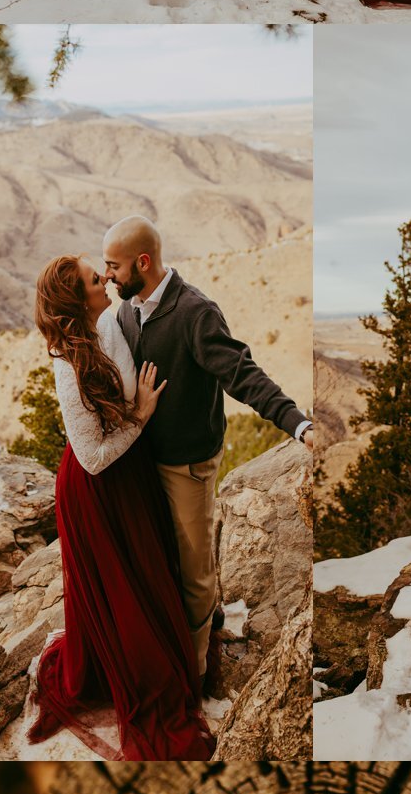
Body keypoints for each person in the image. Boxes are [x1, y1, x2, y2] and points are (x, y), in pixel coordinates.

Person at [102, 215, 314, 683]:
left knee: (194, 570)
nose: (107, 275)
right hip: (144, 459)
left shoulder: (195, 311)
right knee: (166, 557)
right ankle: (200, 623)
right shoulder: (127, 310)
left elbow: (242, 374)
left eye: (113, 266)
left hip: (188, 464)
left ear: (143, 261)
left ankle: (194, 676)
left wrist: (297, 424)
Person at [26, 255, 215, 762]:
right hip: (98, 490)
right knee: (125, 593)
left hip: (132, 477)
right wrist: (141, 415)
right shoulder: (68, 368)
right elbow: (91, 457)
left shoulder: (107, 323)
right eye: (95, 279)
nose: (105, 279)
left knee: (149, 578)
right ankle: (136, 676)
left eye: (104, 271)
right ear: (78, 299)